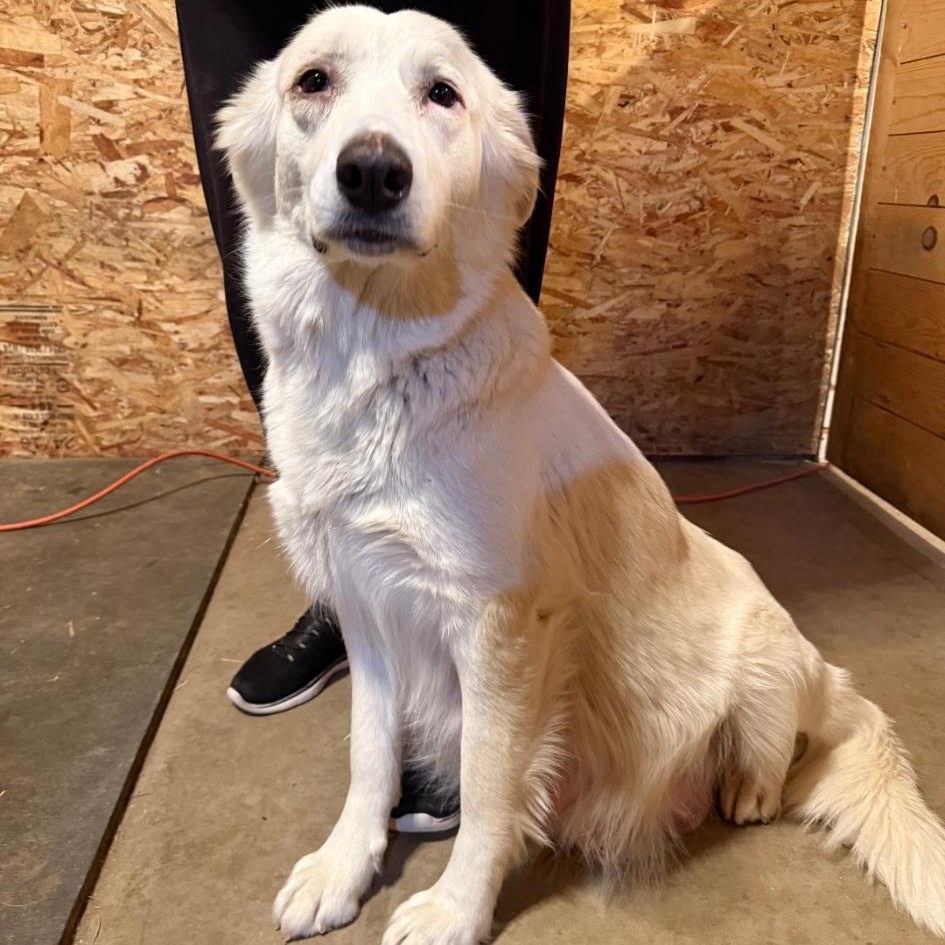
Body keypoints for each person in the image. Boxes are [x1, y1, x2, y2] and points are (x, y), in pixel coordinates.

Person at [175, 0, 570, 833]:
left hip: (463, 356)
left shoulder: (491, 155)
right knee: (342, 537)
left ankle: (460, 626)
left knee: (480, 569)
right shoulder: (260, 140)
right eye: (316, 83)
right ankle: (350, 608)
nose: (373, 165)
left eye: (438, 96)